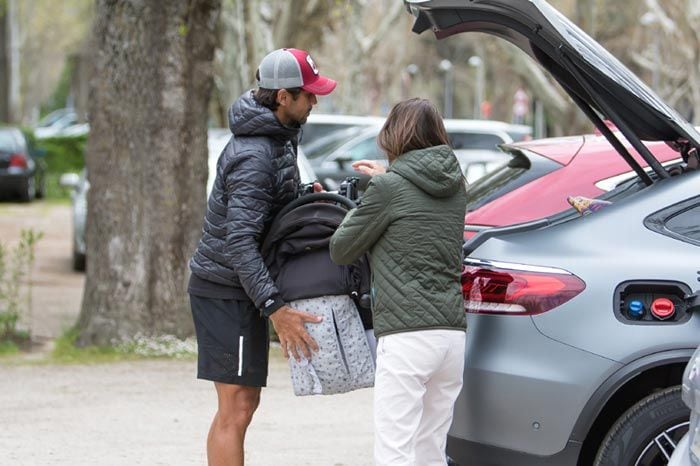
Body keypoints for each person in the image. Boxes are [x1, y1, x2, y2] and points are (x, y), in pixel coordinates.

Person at [188, 48, 336, 466]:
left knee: (244, 404)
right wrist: (275, 308)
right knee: (234, 409)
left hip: (240, 288)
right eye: (309, 95)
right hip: (225, 290)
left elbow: (264, 209)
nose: (315, 102)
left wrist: (305, 200)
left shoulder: (277, 138)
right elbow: (240, 242)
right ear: (283, 97)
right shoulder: (255, 155)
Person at [330, 98, 468, 466]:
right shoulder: (457, 185)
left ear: (394, 134)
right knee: (431, 448)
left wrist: (371, 195)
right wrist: (386, 179)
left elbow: (341, 249)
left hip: (407, 335)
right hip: (451, 335)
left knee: (394, 451)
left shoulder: (387, 190)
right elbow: (417, 195)